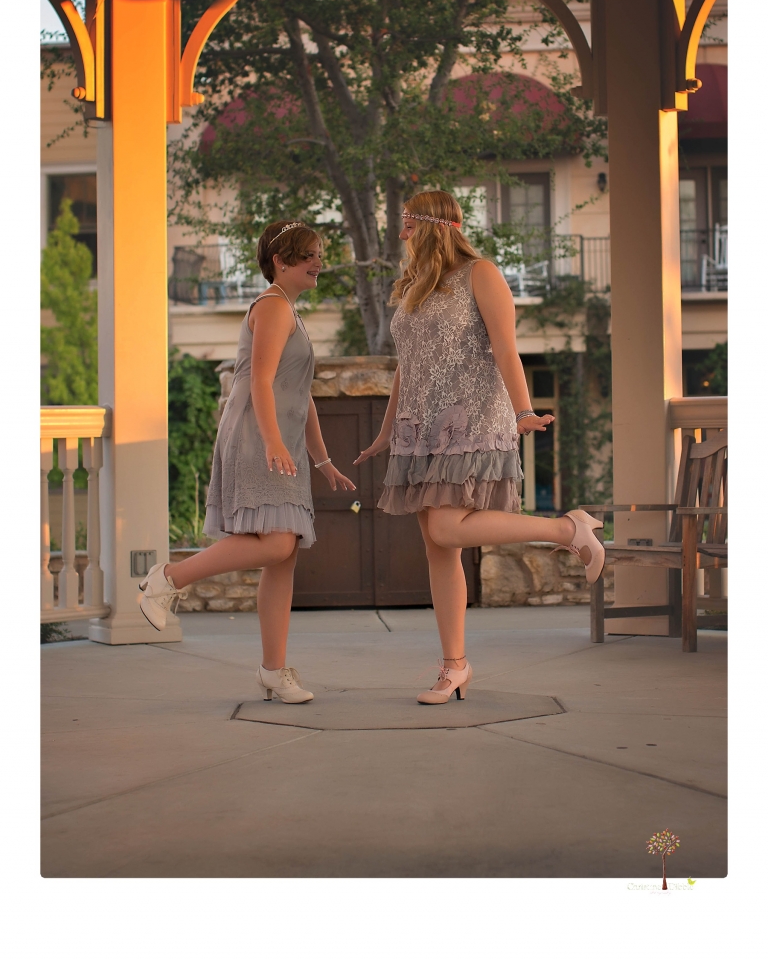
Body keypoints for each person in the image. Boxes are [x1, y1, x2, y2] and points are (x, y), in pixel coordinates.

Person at [354, 191, 604, 705]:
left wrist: (522, 411)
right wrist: (386, 430)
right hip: (418, 430)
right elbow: (409, 364)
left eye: (406, 224)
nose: (401, 234)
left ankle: (566, 528)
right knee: (438, 545)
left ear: (430, 226)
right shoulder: (415, 286)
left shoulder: (480, 273)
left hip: (468, 421)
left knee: (447, 529)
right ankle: (454, 667)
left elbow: (506, 346)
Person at [138, 221, 356, 703]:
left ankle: (274, 672)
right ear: (281, 261)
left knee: (284, 558)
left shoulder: (291, 312)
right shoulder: (274, 307)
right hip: (259, 438)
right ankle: (169, 578)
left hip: (281, 443)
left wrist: (322, 461)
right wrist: (276, 442)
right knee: (276, 544)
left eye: (320, 253)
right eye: (310, 255)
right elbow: (259, 382)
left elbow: (302, 395)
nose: (320, 262)